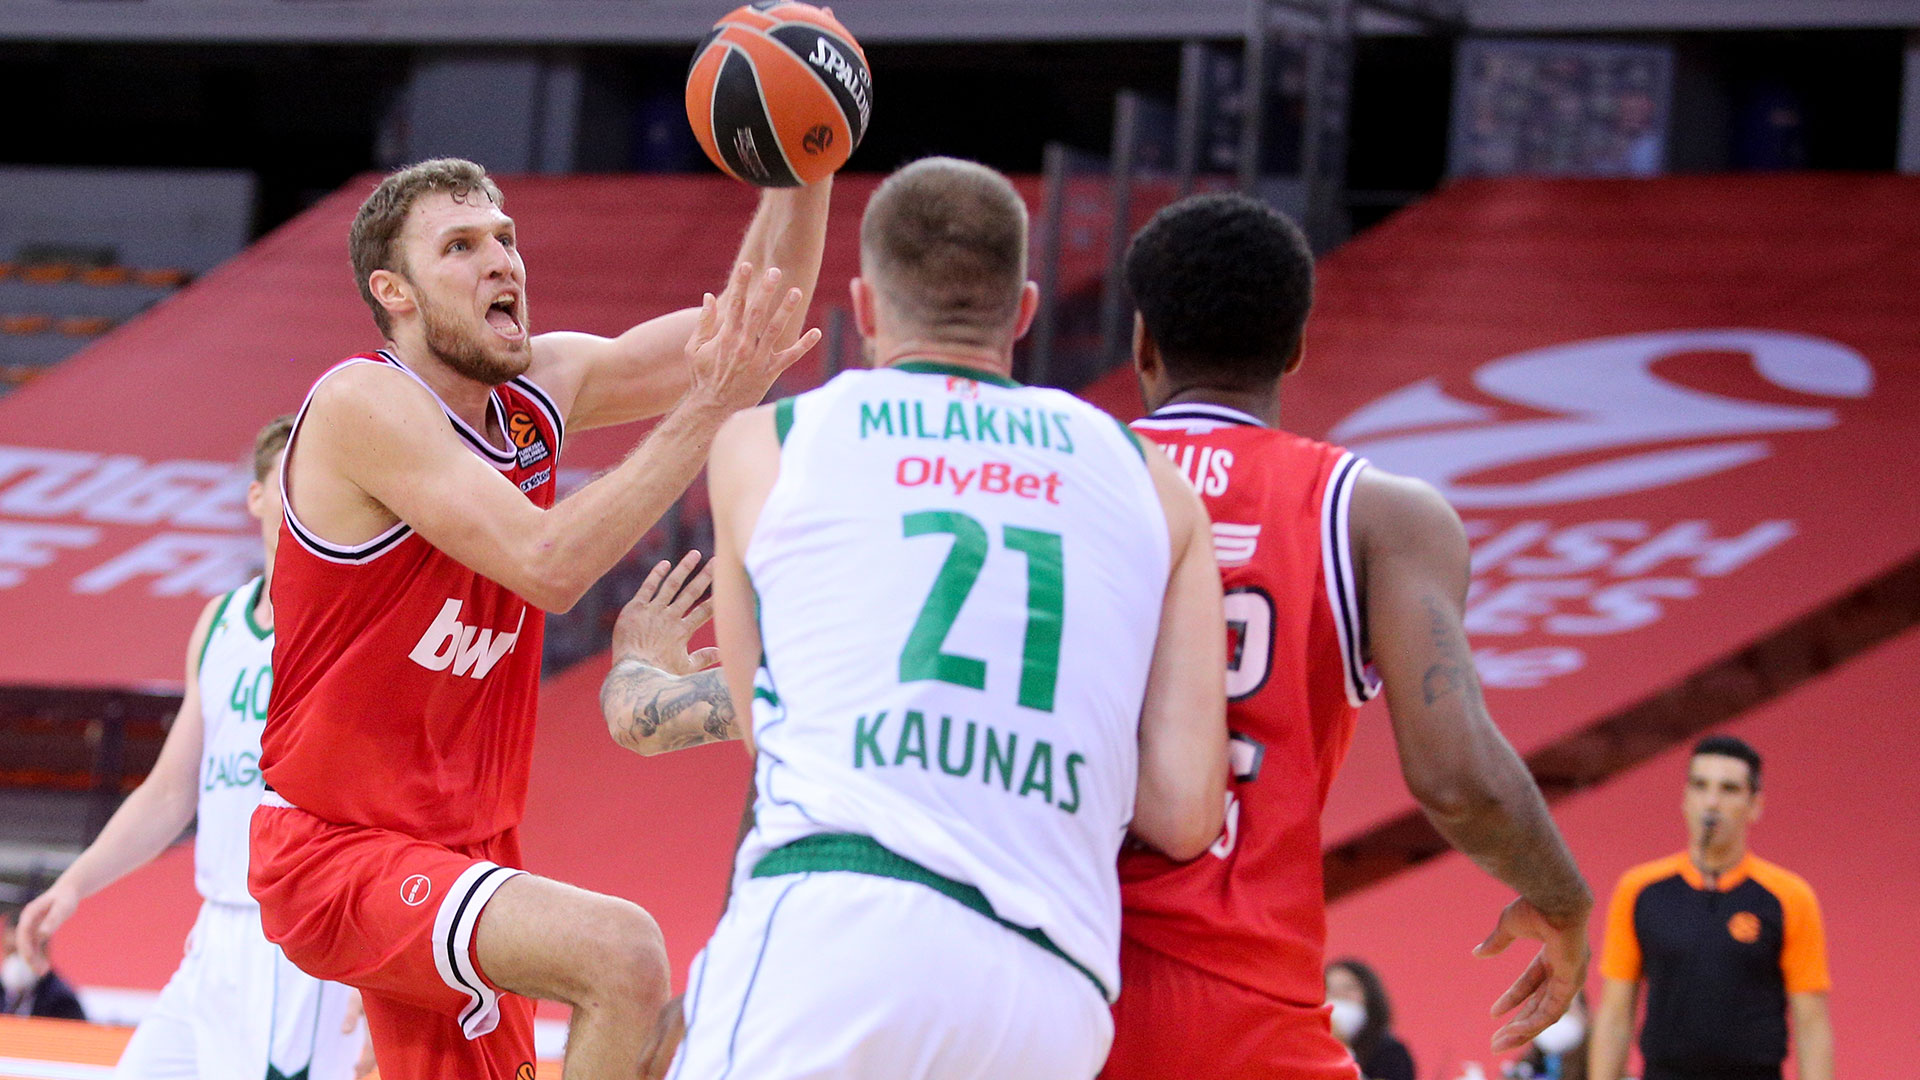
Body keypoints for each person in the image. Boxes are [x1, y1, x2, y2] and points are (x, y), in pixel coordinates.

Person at [634, 156, 1229, 1080]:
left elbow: (767, 723)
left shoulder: (768, 444)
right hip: (1053, 985)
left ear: (866, 307)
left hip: (842, 923)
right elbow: (1185, 812)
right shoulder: (1155, 483)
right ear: (1023, 310)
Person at [247, 156, 830, 1080]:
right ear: (394, 292)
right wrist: (712, 405)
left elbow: (757, 324)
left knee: (631, 1018)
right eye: (460, 246)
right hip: (337, 848)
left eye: (506, 238)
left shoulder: (541, 388)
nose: (501, 261)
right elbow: (548, 563)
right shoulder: (365, 402)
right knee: (622, 957)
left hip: (465, 850)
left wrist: (807, 164)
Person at [1100, 192, 1594, 1080]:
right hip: (1241, 1006)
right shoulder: (1379, 516)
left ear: (1142, 343)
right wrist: (1560, 896)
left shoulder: (1053, 481)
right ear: (1296, 346)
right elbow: (1455, 778)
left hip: (1048, 978)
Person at [15, 417, 367, 1078]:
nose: (308, 497)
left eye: (323, 481)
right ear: (257, 497)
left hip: (301, 937)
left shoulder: (355, 622)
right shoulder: (220, 622)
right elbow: (170, 791)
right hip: (216, 935)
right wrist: (74, 884)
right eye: (290, 481)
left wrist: (380, 961)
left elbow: (386, 794)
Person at [1589, 735, 1832, 1080]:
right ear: (1685, 798)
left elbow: (1811, 1025)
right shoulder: (1640, 890)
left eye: (1729, 789)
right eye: (1700, 786)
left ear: (1755, 805)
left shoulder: (1788, 897)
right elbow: (1615, 1015)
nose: (1712, 802)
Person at [1326, 958, 1415, 1080]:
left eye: (1349, 988)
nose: (1339, 996)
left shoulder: (1391, 1051)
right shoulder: (1313, 1046)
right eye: (1329, 989)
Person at [3, 903, 85, 1020]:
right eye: (11, 950)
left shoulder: (61, 1001)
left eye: (24, 952)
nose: (17, 960)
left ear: (44, 951)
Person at [1510, 990, 1588, 1080]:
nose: (1555, 1019)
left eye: (1565, 1009)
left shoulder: (1596, 1067)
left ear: (1585, 1014)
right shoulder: (1522, 1071)